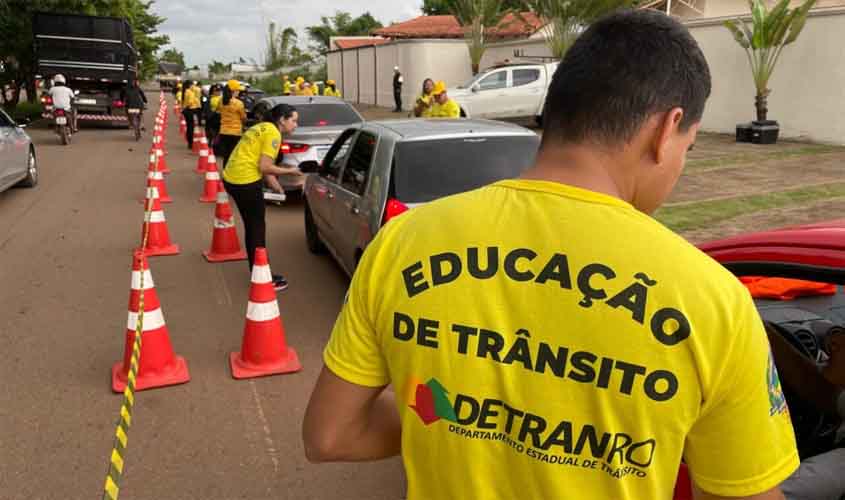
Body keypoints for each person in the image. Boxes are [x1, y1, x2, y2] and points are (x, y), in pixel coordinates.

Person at [303, 9, 799, 500]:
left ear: (556, 108)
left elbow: (331, 435)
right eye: (688, 147)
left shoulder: (402, 243)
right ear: (666, 130)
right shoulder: (714, 303)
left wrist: (463, 413)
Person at [222, 103, 300, 292]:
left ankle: (258, 272)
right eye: (294, 120)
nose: (296, 125)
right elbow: (265, 166)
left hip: (231, 178)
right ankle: (262, 278)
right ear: (282, 120)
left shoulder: (260, 127)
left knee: (252, 225)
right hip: (245, 181)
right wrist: (291, 171)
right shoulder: (273, 134)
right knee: (256, 228)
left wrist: (276, 186)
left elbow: (261, 164)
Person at [214, 80, 247, 167]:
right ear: (233, 91)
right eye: (238, 90)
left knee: (226, 155)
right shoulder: (239, 103)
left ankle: (225, 173)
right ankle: (231, 176)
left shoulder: (221, 101)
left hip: (223, 132)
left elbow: (218, 111)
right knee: (233, 156)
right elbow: (243, 118)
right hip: (235, 133)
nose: (239, 92)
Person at [181, 80, 201, 149]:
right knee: (191, 127)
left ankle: (190, 142)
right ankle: (191, 142)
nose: (193, 86)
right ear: (190, 85)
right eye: (192, 84)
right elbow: (191, 101)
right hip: (191, 110)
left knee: (189, 126)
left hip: (186, 110)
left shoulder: (185, 91)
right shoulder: (190, 92)